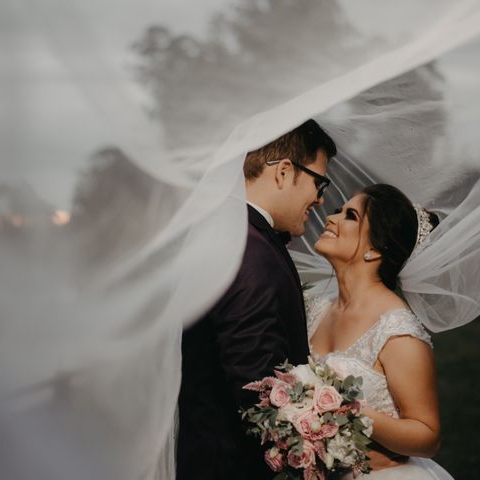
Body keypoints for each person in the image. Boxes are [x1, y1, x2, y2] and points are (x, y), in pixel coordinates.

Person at [177, 119, 336, 480]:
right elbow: (256, 385)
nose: (321, 198)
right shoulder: (251, 253)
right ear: (283, 172)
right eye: (318, 181)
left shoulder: (230, 235)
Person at [307, 184, 454, 479]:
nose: (331, 218)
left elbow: (428, 436)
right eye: (338, 210)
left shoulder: (397, 330)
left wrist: (349, 412)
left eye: (349, 215)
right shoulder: (315, 308)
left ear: (374, 250)